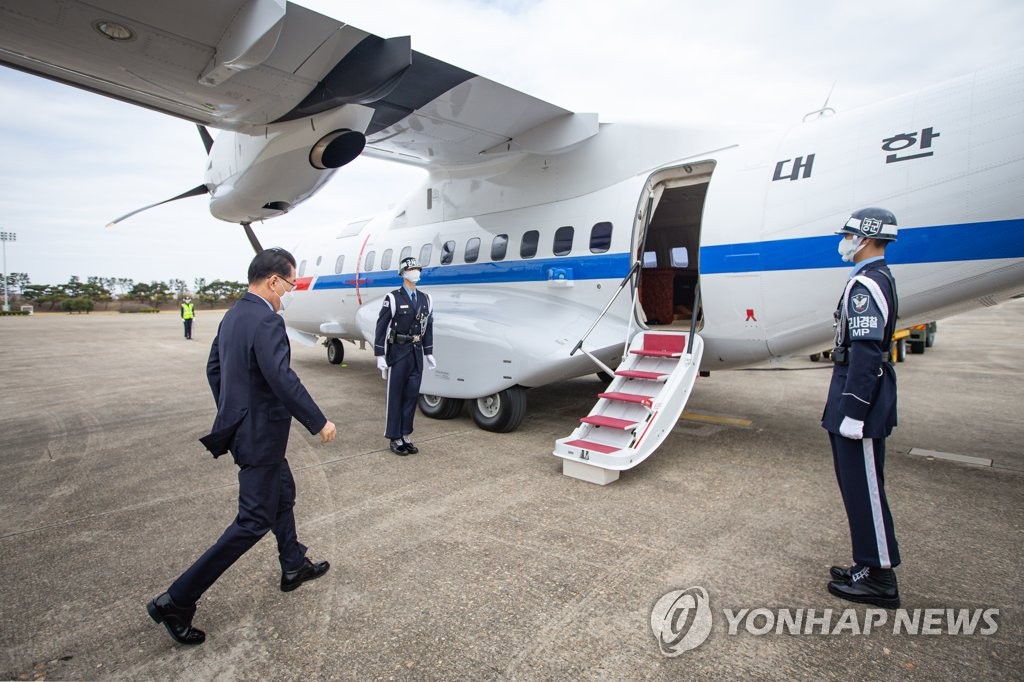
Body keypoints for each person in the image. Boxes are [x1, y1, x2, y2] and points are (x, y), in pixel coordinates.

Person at [146, 247, 337, 645]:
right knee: (252, 521)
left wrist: (235, 411)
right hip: (261, 436)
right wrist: (318, 421)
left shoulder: (233, 315)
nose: (289, 293)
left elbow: (213, 369)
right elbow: (282, 378)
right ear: (273, 281)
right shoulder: (267, 320)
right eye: (290, 285)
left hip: (244, 430)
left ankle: (292, 564)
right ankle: (176, 600)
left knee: (282, 492)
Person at [822, 207, 901, 609]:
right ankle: (866, 565)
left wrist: (854, 411)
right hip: (855, 392)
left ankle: (881, 577)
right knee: (855, 486)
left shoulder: (866, 285)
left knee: (866, 488)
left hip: (860, 399)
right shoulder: (874, 278)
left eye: (848, 236)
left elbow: (867, 353)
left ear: (865, 239)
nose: (844, 242)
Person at [374, 256, 435, 456]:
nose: (415, 272)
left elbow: (428, 327)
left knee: (411, 396)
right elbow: (381, 327)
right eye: (411, 269)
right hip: (399, 353)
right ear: (403, 273)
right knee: (396, 397)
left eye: (417, 269)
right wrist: (380, 354)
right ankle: (394, 436)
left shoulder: (426, 299)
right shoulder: (393, 298)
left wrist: (428, 352)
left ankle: (406, 434)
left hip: (416, 354)